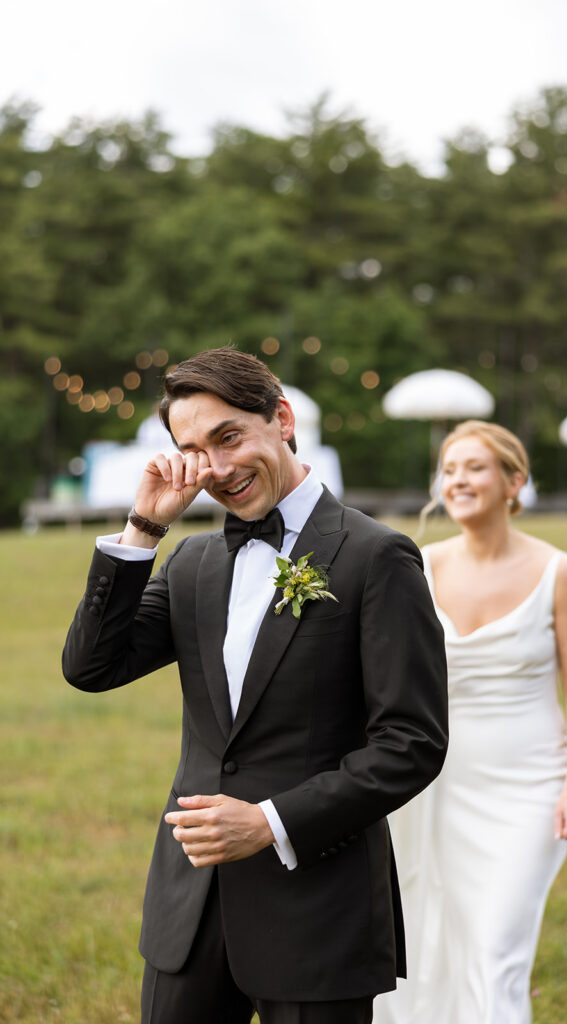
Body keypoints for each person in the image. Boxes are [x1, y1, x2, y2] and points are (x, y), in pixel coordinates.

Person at [62, 345, 448, 1024]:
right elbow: (92, 667)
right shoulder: (193, 563)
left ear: (282, 418)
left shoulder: (375, 557)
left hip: (316, 910)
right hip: (189, 909)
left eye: (229, 436)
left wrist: (268, 824)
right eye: (194, 449)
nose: (217, 467)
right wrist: (144, 527)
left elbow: (410, 743)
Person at [374, 421, 567, 1024]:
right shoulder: (419, 566)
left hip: (527, 784)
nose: (457, 481)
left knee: (496, 945)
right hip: (428, 783)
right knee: (421, 933)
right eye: (448, 470)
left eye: (474, 467)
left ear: (513, 481)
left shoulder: (559, 571)